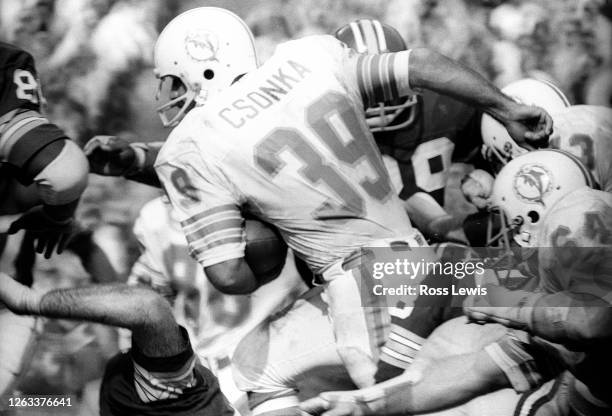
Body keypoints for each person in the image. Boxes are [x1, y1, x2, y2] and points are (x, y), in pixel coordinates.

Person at [301, 151, 612, 416]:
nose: (504, 237)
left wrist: (513, 306)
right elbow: (473, 373)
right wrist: (368, 406)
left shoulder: (580, 218)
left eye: (507, 221)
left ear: (533, 215)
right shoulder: (553, 278)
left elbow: (594, 321)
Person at [0, 272, 235, 415]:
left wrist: (30, 301)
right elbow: (146, 309)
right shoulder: (170, 400)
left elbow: (143, 307)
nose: (53, 356)